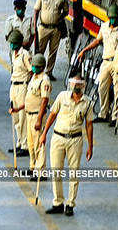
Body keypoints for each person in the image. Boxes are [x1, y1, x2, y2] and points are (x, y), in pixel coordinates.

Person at [40, 74, 94, 216]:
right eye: (74, 84)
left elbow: (89, 125)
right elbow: (52, 115)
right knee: (56, 171)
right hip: (58, 137)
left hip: (75, 140)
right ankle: (58, 202)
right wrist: (44, 134)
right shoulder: (62, 96)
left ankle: (70, 204)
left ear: (83, 86)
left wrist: (90, 146)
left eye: (79, 85)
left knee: (74, 173)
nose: (76, 87)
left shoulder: (88, 102)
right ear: (70, 85)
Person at [77, 4, 118, 123]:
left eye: (115, 19)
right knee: (102, 86)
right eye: (111, 18)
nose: (113, 21)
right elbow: (97, 41)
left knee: (117, 91)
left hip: (117, 62)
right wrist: (84, 50)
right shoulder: (104, 26)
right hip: (106, 61)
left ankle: (115, 116)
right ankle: (103, 113)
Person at [33, 0, 68, 80]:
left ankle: (49, 72)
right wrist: (34, 25)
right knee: (40, 51)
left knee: (53, 51)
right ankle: (38, 71)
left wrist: (59, 18)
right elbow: (36, 10)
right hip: (43, 28)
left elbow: (66, 11)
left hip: (55, 29)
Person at [21, 54, 51, 179]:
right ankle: (33, 167)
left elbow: (44, 100)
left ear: (42, 67)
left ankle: (41, 171)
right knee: (31, 144)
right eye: (33, 66)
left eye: (36, 66)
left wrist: (39, 119)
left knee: (39, 144)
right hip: (29, 114)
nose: (33, 68)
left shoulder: (45, 80)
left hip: (37, 116)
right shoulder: (34, 77)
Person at [7, 30, 31, 156]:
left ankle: (25, 145)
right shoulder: (13, 54)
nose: (11, 45)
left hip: (22, 86)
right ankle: (19, 142)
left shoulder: (25, 55)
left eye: (13, 43)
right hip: (14, 86)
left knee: (23, 116)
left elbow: (31, 70)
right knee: (15, 117)